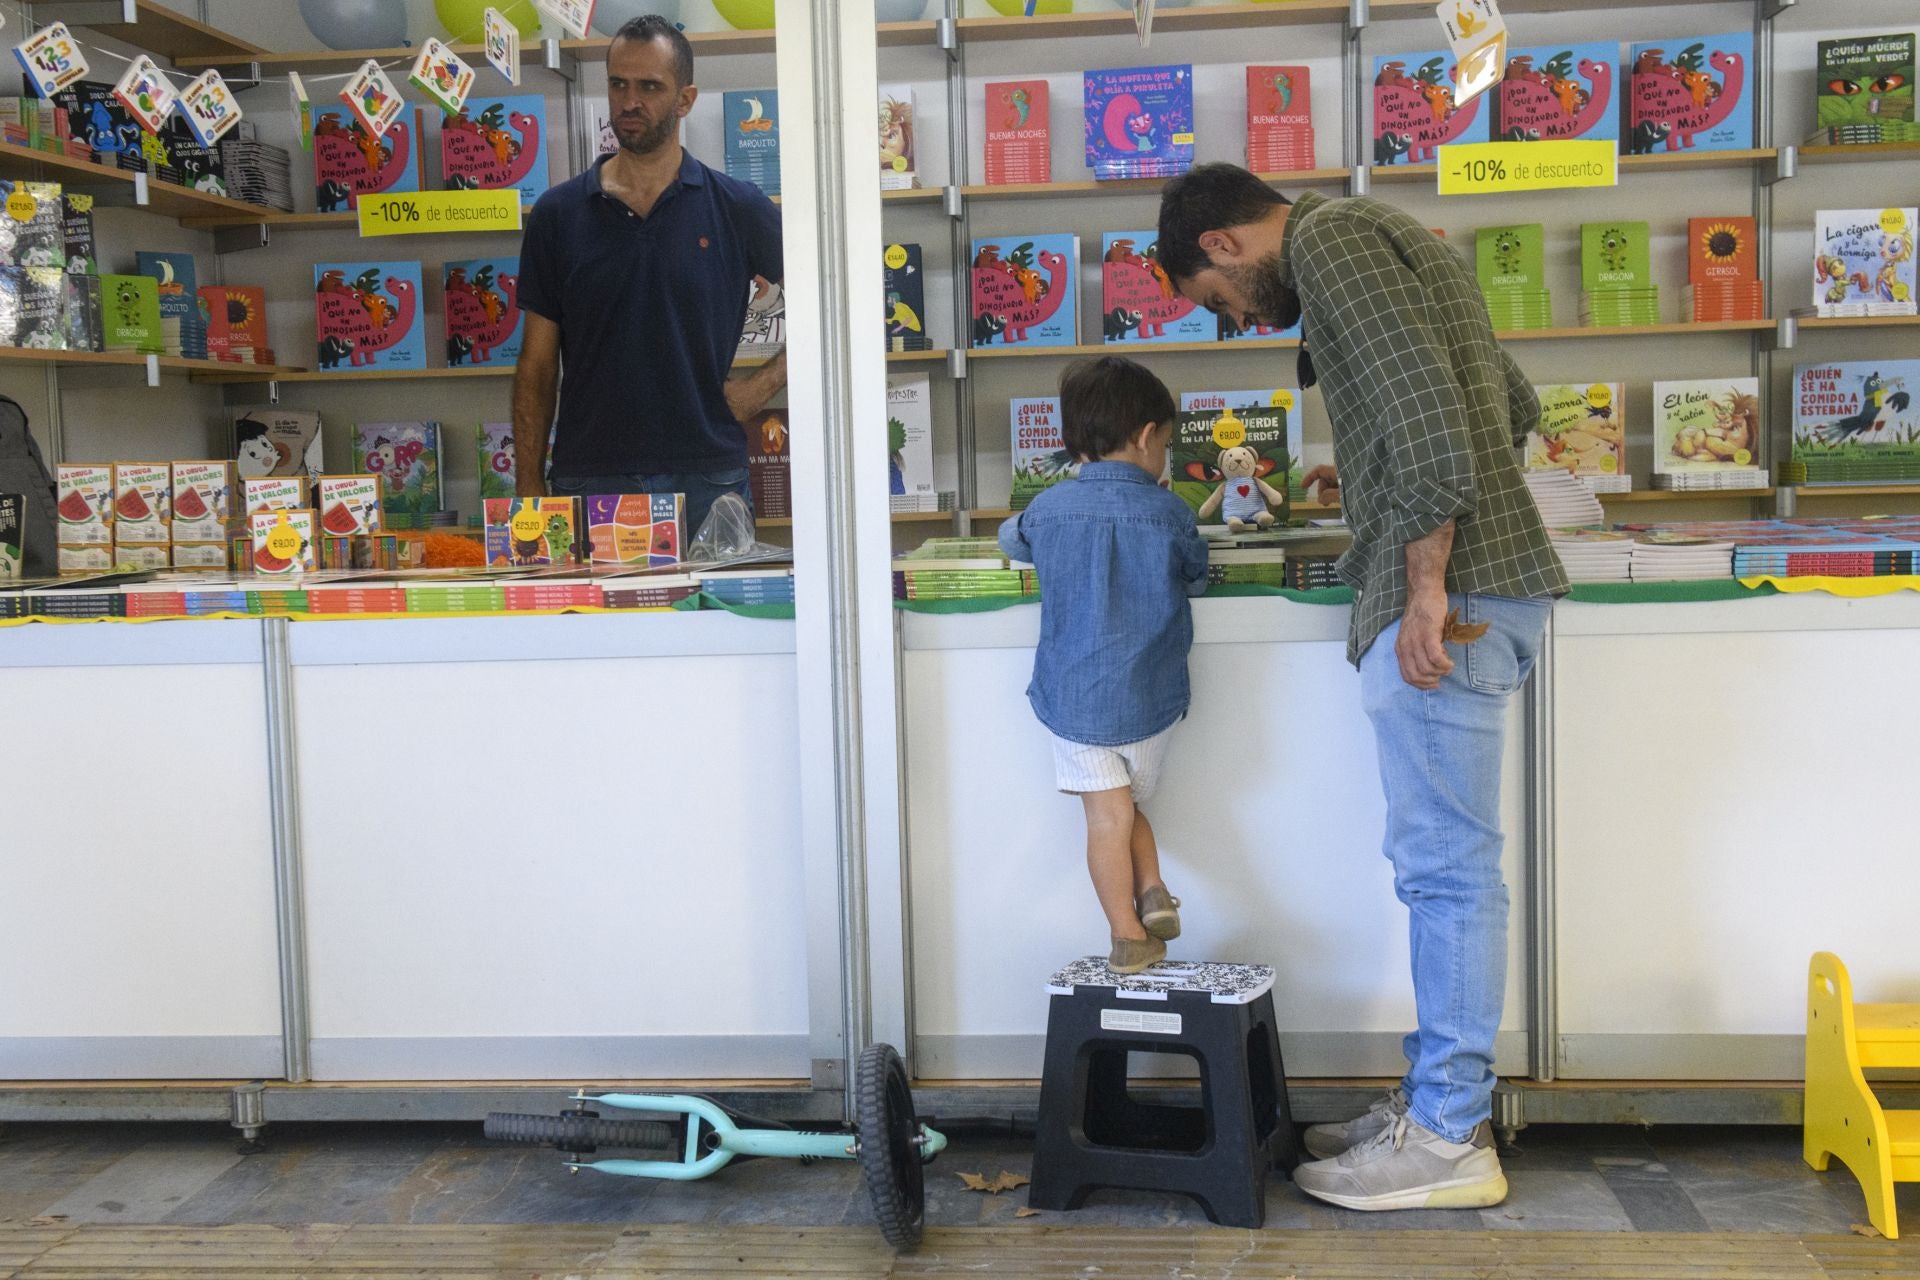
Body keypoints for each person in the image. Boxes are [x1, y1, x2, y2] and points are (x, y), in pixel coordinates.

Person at [1156, 165, 1569, 1211]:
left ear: (1222, 246)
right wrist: (1381, 478)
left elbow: (1431, 424)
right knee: (1446, 863)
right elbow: (1504, 402)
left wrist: (1429, 576)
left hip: (1452, 599)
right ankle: (1437, 1101)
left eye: (1219, 303)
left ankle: (1443, 1138)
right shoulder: (1386, 230)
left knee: (1446, 871)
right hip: (1488, 584)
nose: (1234, 320)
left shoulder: (1327, 247)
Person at [512, 15, 787, 537]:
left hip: (708, 475)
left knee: (717, 622)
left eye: (649, 87)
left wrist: (764, 383)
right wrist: (528, 488)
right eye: (618, 83)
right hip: (589, 479)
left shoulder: (737, 207)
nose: (629, 101)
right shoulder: (557, 214)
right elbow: (537, 366)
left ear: (685, 100)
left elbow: (837, 296)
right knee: (597, 623)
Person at [998, 357, 1209, 975]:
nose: (1165, 456)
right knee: (1125, 809)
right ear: (1146, 437)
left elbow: (1012, 541)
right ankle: (1152, 893)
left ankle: (1127, 937)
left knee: (1107, 816)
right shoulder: (1171, 513)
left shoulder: (1050, 507)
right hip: (1151, 702)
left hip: (1074, 699)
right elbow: (1195, 574)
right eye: (1166, 444)